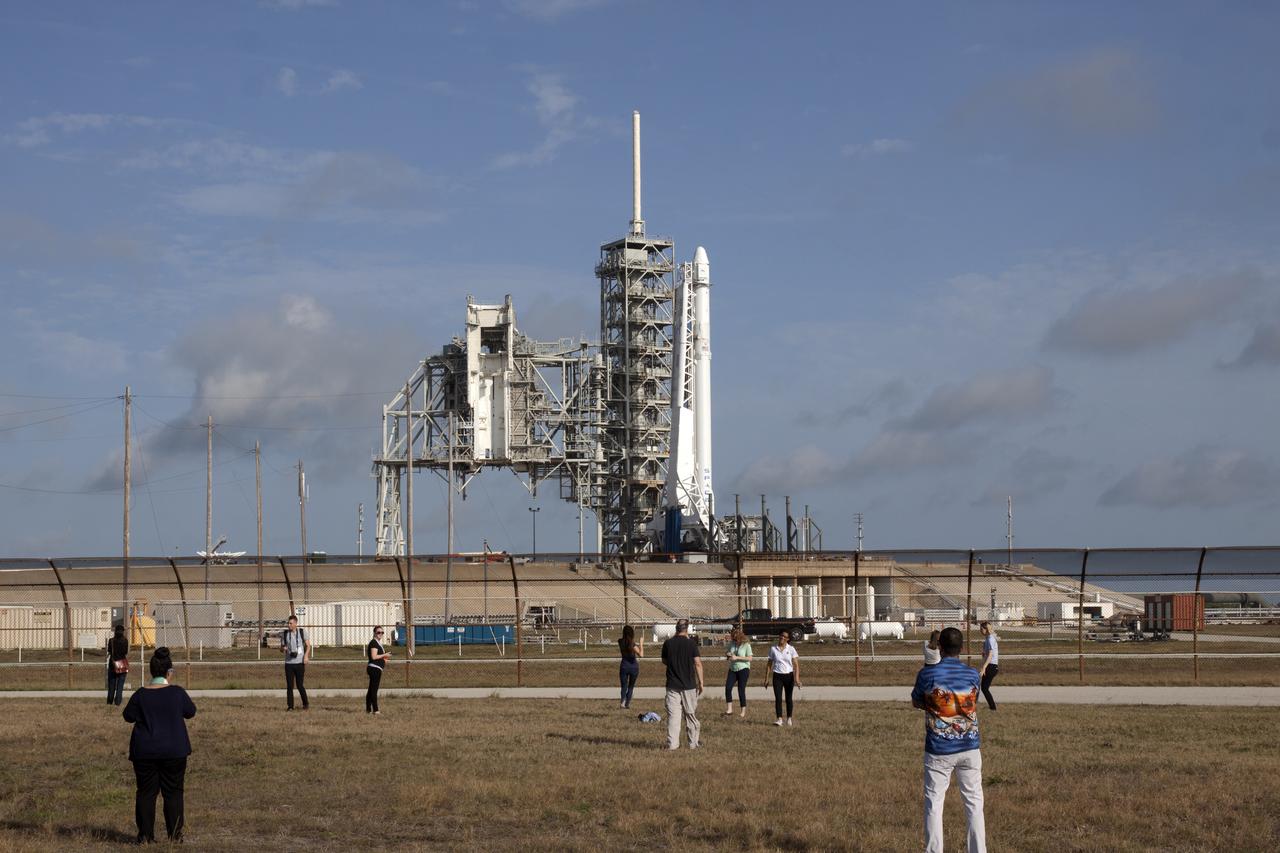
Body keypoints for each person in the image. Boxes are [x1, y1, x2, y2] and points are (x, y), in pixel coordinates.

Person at [911, 626, 985, 853]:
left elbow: (916, 700)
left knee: (934, 804)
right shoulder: (973, 674)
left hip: (939, 749)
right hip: (969, 747)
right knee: (974, 804)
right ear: (961, 648)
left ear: (940, 647)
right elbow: (973, 700)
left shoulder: (927, 674)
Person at [122, 647, 197, 844]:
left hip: (145, 751)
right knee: (173, 793)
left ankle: (145, 836)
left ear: (151, 671)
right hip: (174, 750)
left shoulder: (140, 695)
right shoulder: (177, 693)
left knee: (146, 793)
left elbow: (128, 716)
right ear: (169, 673)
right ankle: (175, 835)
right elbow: (191, 712)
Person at [660, 618, 703, 750]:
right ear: (687, 628)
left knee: (673, 716)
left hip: (672, 684)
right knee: (690, 714)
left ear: (676, 628)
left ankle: (672, 745)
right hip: (689, 685)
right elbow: (697, 663)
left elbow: (664, 660)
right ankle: (693, 743)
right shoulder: (691, 644)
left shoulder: (668, 643)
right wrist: (701, 682)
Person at [764, 629, 801, 726]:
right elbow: (769, 664)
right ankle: (779, 719)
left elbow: (796, 665)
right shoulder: (773, 649)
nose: (782, 638)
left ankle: (789, 718)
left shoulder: (791, 649)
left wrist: (797, 679)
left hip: (789, 676)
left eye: (785, 637)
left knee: (788, 698)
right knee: (778, 698)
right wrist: (766, 678)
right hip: (777, 676)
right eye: (781, 636)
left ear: (788, 639)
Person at [280, 614, 311, 711]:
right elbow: (281, 649)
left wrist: (306, 656)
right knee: (289, 686)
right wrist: (283, 648)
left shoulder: (302, 632)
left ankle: (305, 704)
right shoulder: (285, 634)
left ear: (295, 623)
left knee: (300, 685)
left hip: (299, 663)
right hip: (289, 663)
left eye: (291, 623)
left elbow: (308, 646)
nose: (289, 625)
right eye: (288, 623)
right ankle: (290, 706)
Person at [723, 628, 753, 717]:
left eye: (736, 639)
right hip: (733, 669)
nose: (735, 640)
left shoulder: (746, 645)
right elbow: (727, 652)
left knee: (741, 689)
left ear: (740, 637)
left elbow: (750, 658)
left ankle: (743, 711)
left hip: (743, 669)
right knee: (728, 687)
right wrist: (728, 655)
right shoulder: (731, 644)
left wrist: (737, 658)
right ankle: (729, 709)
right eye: (733, 639)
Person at [366, 625, 391, 714]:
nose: (380, 634)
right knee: (374, 690)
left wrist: (384, 659)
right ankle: (375, 710)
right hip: (374, 668)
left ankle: (368, 709)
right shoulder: (374, 643)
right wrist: (385, 655)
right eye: (378, 632)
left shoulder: (378, 643)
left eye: (382, 632)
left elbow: (378, 657)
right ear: (375, 633)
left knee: (371, 689)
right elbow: (374, 656)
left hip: (377, 668)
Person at [617, 624, 643, 709]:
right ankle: (627, 703)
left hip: (624, 666)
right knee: (631, 686)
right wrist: (641, 644)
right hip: (633, 667)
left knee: (624, 686)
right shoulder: (632, 644)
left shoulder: (620, 641)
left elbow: (624, 642)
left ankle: (622, 702)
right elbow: (641, 655)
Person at [106, 623, 130, 706]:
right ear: (122, 632)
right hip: (122, 663)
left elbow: (109, 651)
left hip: (113, 664)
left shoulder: (111, 641)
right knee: (120, 685)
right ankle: (118, 702)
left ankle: (109, 702)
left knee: (111, 685)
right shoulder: (125, 641)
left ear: (115, 631)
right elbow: (125, 652)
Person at [979, 622, 999, 711]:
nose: (980, 630)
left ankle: (993, 708)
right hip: (989, 665)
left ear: (986, 629)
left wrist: (984, 667)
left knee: (984, 688)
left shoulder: (990, 639)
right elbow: (987, 654)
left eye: (981, 629)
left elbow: (991, 655)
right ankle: (992, 707)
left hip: (991, 666)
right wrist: (984, 653)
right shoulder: (987, 639)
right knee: (983, 687)